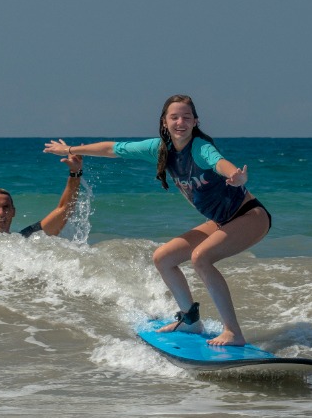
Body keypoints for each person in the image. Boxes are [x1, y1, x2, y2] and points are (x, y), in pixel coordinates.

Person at [43, 95, 271, 346]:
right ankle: (190, 321)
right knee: (163, 257)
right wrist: (70, 150)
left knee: (201, 258)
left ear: (196, 121)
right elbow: (112, 148)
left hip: (249, 216)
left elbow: (219, 162)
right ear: (164, 122)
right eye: (174, 117)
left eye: (186, 117)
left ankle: (233, 333)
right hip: (220, 220)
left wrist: (235, 176)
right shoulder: (159, 149)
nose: (180, 122)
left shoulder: (199, 148)